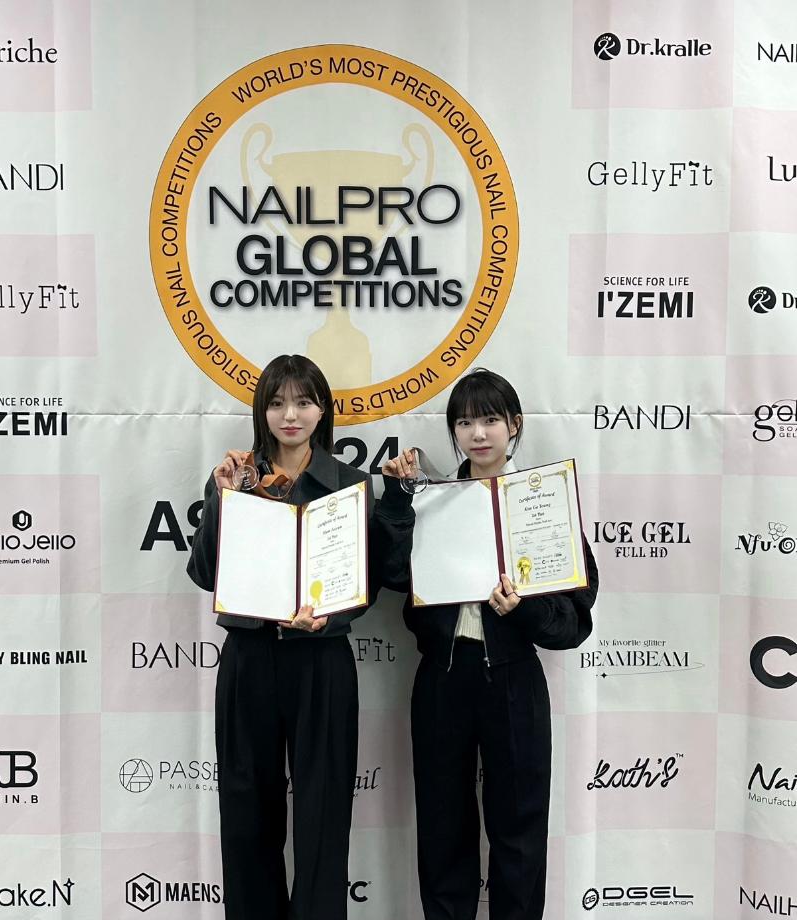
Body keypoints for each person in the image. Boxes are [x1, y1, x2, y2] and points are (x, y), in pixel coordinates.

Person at [187, 354, 413, 920]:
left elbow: (367, 584)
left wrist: (328, 621)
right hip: (249, 658)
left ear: (322, 411)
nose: (290, 415)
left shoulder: (350, 485)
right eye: (277, 403)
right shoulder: (236, 476)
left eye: (303, 402)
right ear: (261, 411)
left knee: (323, 814)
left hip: (322, 661)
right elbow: (205, 572)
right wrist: (221, 501)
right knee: (247, 812)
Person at [384, 368, 599, 920]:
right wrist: (398, 502)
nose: (477, 434)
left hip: (513, 680)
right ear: (453, 432)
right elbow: (391, 574)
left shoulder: (544, 505)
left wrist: (522, 610)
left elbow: (574, 623)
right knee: (442, 827)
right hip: (441, 679)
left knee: (519, 829)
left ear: (514, 425)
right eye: (464, 422)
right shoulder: (430, 500)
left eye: (490, 420)